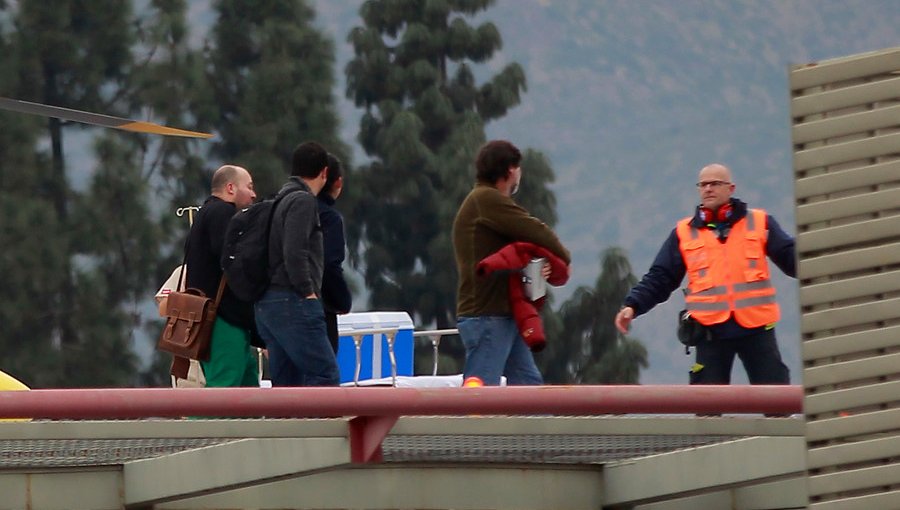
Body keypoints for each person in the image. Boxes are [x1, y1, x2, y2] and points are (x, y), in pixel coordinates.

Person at [614, 163, 795, 385]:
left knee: (775, 400)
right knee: (708, 409)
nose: (708, 189)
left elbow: (792, 259)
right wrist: (633, 306)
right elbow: (661, 277)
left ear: (731, 188)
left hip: (757, 328)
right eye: (703, 184)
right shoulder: (684, 232)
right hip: (710, 333)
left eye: (715, 183)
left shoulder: (759, 222)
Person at [452, 140, 571, 386]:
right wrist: (561, 257)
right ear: (510, 171)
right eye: (518, 168)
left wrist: (538, 264)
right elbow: (534, 230)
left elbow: (513, 252)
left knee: (528, 387)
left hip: (502, 315)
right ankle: (470, 427)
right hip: (488, 316)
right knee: (480, 394)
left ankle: (540, 427)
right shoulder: (486, 200)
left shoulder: (482, 200)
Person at [254, 141, 340, 386]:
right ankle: (319, 426)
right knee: (325, 374)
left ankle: (289, 425)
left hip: (268, 303)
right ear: (324, 172)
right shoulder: (303, 201)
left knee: (288, 385)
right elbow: (295, 252)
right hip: (293, 301)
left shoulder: (279, 199)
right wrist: (308, 293)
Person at [183, 164, 260, 387]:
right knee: (223, 396)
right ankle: (199, 424)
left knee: (248, 395)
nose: (254, 194)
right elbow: (234, 262)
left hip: (213, 320)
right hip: (224, 321)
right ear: (230, 188)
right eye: (249, 186)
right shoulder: (223, 213)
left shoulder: (204, 214)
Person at [317, 153, 352, 353]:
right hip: (321, 308)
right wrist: (342, 300)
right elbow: (330, 264)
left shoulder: (285, 207)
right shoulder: (330, 218)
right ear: (338, 182)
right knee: (324, 376)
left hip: (276, 308)